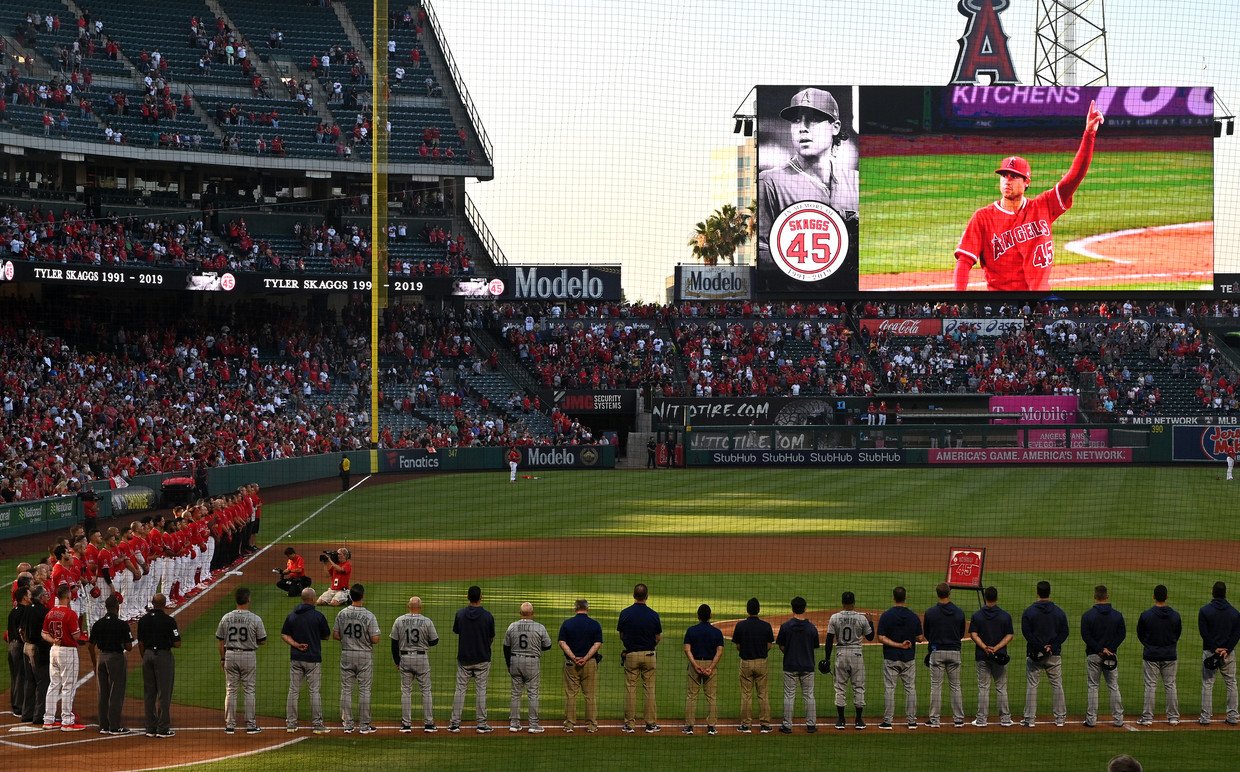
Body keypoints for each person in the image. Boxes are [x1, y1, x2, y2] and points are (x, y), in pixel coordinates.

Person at [953, 99, 1105, 291]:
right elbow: (964, 262)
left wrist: (1089, 135)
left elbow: (1074, 177)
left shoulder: (1044, 206)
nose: (1007, 180)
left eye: (1015, 176)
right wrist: (958, 297)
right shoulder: (983, 218)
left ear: (1026, 183)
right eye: (1004, 176)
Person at [757, 87, 859, 268]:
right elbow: (759, 251)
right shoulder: (769, 182)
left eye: (813, 120)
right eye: (796, 121)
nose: (802, 128)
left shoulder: (856, 182)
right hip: (796, 294)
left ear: (835, 128)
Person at [216, 586, 267, 734]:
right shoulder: (255, 618)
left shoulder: (226, 617)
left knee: (231, 690)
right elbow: (262, 640)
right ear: (248, 599)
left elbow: (220, 640)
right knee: (249, 690)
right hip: (248, 656)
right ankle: (251, 725)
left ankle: (230, 725)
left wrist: (222, 658)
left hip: (230, 655)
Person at [282, 587, 331, 734]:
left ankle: (291, 724)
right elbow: (327, 635)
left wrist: (296, 645)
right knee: (314, 691)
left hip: (296, 658)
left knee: (293, 690)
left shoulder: (292, 615)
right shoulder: (318, 616)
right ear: (312, 599)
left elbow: (284, 635)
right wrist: (314, 635)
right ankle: (317, 725)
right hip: (313, 658)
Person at [1022, 580, 1070, 727]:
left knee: (1032, 685)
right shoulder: (1059, 612)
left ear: (1037, 592)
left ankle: (1030, 720)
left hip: (1035, 655)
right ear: (1049, 592)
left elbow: (1027, 634)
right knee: (1057, 685)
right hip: (1053, 655)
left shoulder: (1029, 611)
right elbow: (1064, 632)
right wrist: (1051, 646)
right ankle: (1060, 719)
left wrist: (1040, 648)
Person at [334, 583, 380, 734]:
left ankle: (347, 723)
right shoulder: (368, 615)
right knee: (364, 690)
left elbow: (336, 635)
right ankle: (364, 725)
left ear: (350, 596)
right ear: (363, 596)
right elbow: (375, 639)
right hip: (364, 655)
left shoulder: (342, 613)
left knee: (346, 689)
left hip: (347, 653)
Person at [824, 591, 874, 730]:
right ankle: (858, 720)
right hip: (856, 654)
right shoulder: (861, 618)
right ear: (854, 602)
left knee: (840, 687)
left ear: (842, 602)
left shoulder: (834, 617)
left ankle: (841, 720)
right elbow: (870, 637)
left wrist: (827, 659)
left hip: (841, 654)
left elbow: (829, 640)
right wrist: (870, 621)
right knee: (858, 686)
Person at [617, 582, 663, 733]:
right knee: (649, 689)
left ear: (633, 595)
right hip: (650, 655)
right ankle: (650, 724)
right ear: (647, 596)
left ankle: (629, 724)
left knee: (631, 689)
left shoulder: (625, 613)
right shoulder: (653, 614)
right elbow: (658, 637)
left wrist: (630, 645)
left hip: (631, 655)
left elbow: (622, 635)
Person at [449, 585, 495, 733]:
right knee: (481, 691)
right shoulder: (488, 616)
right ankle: (481, 724)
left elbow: (457, 630)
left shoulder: (460, 614)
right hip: (482, 658)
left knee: (460, 690)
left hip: (464, 659)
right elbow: (491, 636)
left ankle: (455, 724)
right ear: (481, 597)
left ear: (468, 597)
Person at [391, 595, 439, 733]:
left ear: (408, 606)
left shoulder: (399, 620)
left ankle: (406, 725)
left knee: (406, 691)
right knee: (426, 691)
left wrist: (396, 661)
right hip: (421, 658)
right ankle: (429, 724)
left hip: (405, 658)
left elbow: (394, 643)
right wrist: (424, 642)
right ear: (421, 607)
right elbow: (435, 641)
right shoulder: (426, 621)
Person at [1081, 584, 1127, 728]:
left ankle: (1091, 720)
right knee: (1113, 686)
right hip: (1111, 657)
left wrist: (1100, 649)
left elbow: (1086, 636)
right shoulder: (1117, 615)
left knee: (1093, 687)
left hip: (1094, 655)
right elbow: (1122, 635)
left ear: (1095, 596)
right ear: (1107, 596)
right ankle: (1118, 720)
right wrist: (1110, 649)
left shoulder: (1087, 615)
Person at [877, 586, 921, 730]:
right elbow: (920, 637)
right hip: (908, 657)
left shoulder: (886, 615)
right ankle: (912, 721)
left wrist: (897, 644)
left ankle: (888, 721)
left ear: (893, 598)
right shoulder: (913, 616)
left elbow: (881, 638)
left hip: (891, 657)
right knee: (910, 688)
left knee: (890, 688)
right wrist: (907, 640)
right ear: (905, 598)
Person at [969, 586, 1015, 728]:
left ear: (985, 598)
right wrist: (996, 648)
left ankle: (981, 720)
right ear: (996, 598)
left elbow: (973, 634)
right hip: (999, 657)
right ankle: (1005, 719)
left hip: (983, 656)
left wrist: (985, 647)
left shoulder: (977, 615)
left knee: (983, 688)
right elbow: (1009, 635)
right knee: (1001, 688)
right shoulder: (1005, 616)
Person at [42, 584, 86, 731]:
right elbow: (76, 636)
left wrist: (53, 640)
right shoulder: (70, 613)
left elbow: (44, 633)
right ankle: (67, 721)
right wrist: (82, 633)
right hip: (68, 652)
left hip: (54, 651)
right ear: (68, 596)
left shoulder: (50, 613)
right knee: (68, 686)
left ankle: (48, 719)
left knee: (54, 684)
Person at [503, 601, 552, 733]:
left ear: (520, 613)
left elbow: (506, 647)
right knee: (533, 694)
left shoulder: (512, 626)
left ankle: (514, 724)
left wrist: (509, 664)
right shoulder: (539, 627)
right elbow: (548, 645)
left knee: (515, 694)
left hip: (515, 660)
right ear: (533, 613)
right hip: (532, 662)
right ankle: (533, 725)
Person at [137, 593, 180, 737]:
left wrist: (146, 657)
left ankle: (150, 728)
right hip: (163, 657)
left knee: (149, 693)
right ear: (164, 604)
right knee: (164, 692)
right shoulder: (169, 620)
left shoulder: (143, 620)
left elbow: (141, 643)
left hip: (147, 655)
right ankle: (163, 728)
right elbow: (177, 643)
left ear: (152, 603)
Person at [89, 594, 133, 735]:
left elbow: (90, 646)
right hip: (116, 659)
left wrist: (95, 662)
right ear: (117, 607)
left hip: (101, 658)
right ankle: (114, 726)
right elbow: (129, 647)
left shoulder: (98, 623)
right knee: (116, 692)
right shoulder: (122, 624)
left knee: (103, 692)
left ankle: (103, 725)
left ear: (106, 607)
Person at [1137, 584, 1181, 726]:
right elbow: (1177, 634)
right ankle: (1173, 717)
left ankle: (1147, 718)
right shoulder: (1175, 615)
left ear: (1153, 596)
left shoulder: (1146, 615)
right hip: (1170, 654)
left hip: (1151, 655)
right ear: (1167, 597)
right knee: (1170, 685)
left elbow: (1140, 634)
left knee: (1150, 685)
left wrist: (1149, 645)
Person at [924, 582, 966, 729]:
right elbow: (961, 633)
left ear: (937, 594)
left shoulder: (930, 612)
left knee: (936, 686)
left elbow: (927, 634)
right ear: (949, 593)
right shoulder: (959, 612)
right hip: (954, 651)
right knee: (956, 686)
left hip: (937, 652)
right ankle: (959, 719)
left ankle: (934, 720)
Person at [558, 598, 603, 734]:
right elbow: (597, 644)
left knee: (571, 694)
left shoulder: (567, 623)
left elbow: (562, 643)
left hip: (571, 664)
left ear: (575, 608)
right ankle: (591, 725)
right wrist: (586, 658)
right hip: (589, 663)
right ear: (587, 608)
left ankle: (569, 724)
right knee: (590, 695)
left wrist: (573, 657)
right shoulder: (595, 624)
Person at [776, 595, 819, 734]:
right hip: (807, 666)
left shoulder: (785, 626)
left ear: (792, 608)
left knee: (789, 696)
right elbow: (814, 646)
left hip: (790, 665)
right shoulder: (812, 628)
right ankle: (811, 725)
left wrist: (790, 653)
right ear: (805, 608)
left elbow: (781, 646)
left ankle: (787, 726)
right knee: (809, 695)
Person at [1198, 580, 1240, 725]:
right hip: (1228, 655)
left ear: (1213, 593)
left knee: (1208, 684)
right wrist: (1227, 649)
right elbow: (1237, 634)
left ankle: (1205, 718)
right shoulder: (1235, 613)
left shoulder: (1204, 611)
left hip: (1210, 653)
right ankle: (1233, 717)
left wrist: (1215, 647)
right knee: (1231, 683)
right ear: (1225, 593)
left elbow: (1204, 632)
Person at [730, 597, 774, 733]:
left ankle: (746, 725)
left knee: (746, 695)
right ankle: (765, 725)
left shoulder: (740, 625)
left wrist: (746, 651)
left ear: (747, 610)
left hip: (746, 663)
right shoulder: (766, 626)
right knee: (763, 694)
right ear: (759, 610)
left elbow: (738, 645)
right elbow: (769, 645)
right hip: (762, 662)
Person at [681, 603, 724, 735]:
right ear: (710, 616)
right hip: (711, 663)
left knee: (691, 697)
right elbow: (720, 651)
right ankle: (711, 726)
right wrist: (710, 667)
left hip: (695, 664)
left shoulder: (691, 630)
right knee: (711, 697)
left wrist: (695, 665)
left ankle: (689, 727)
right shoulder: (717, 632)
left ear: (698, 616)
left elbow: (687, 649)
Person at [21, 586, 51, 725]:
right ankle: (39, 715)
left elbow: (20, 630)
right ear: (40, 597)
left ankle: (26, 714)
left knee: (29, 681)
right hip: (38, 649)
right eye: (45, 594)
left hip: (26, 647)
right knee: (42, 681)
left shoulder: (25, 609)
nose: (47, 596)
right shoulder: (44, 611)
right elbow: (46, 633)